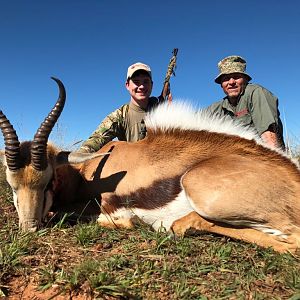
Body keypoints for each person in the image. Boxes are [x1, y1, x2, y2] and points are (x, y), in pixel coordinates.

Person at [206, 55, 285, 150]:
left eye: (236, 77)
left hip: (263, 156)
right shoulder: (216, 108)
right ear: (221, 85)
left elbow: (269, 137)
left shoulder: (256, 93)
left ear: (245, 80)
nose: (231, 82)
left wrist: (272, 162)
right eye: (226, 78)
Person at [79, 62, 160, 153]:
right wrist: (81, 154)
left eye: (146, 82)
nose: (141, 86)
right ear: (127, 85)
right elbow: (97, 138)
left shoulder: (162, 108)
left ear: (152, 85)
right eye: (136, 82)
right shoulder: (120, 115)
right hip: (133, 164)